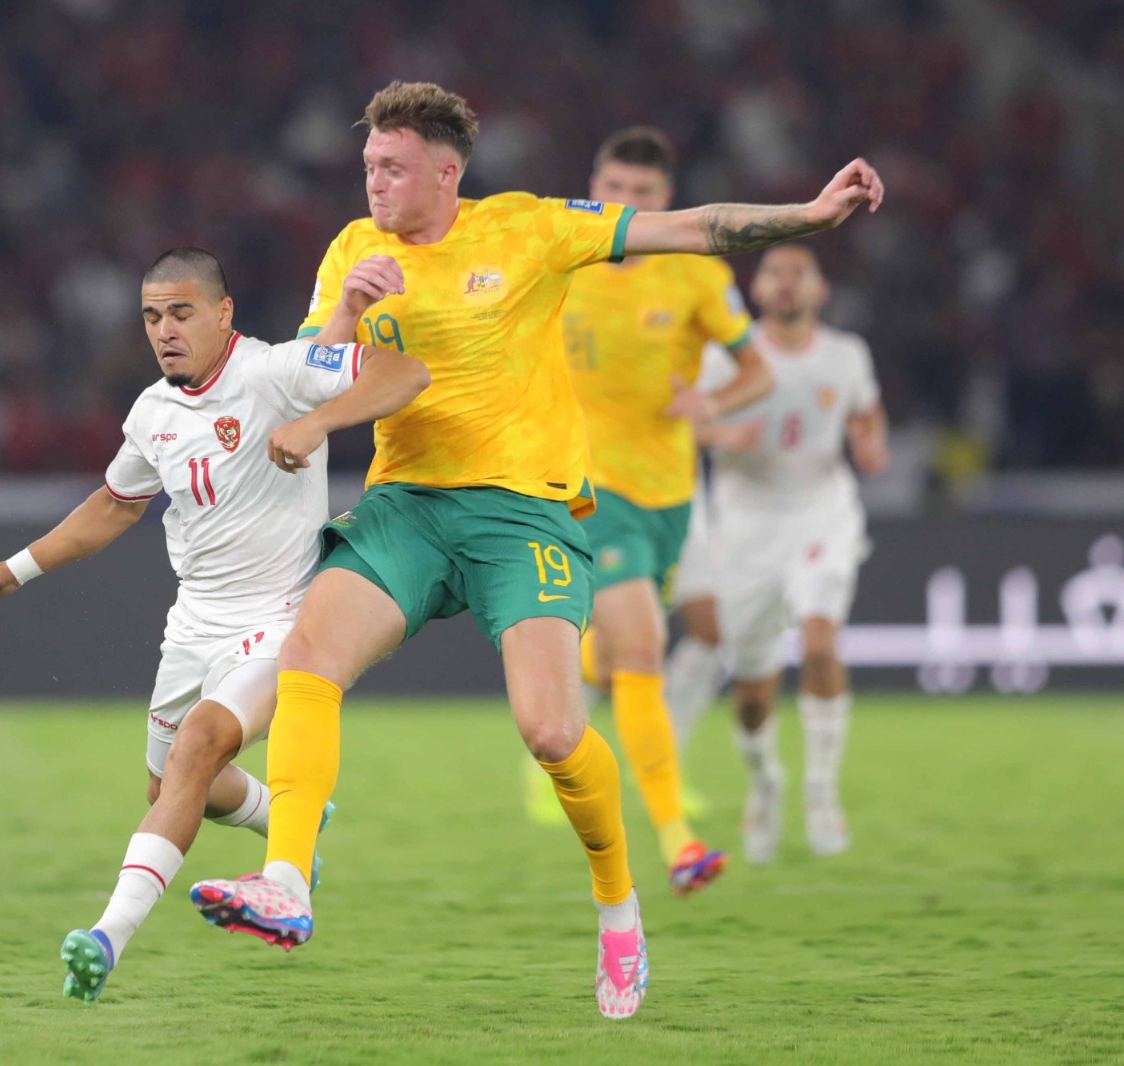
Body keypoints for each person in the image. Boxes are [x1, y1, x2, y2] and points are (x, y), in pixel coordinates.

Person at [189, 81, 884, 1020]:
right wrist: (347, 316)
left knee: (553, 731)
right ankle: (288, 880)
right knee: (311, 649)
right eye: (367, 168)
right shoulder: (355, 249)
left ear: (446, 171)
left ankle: (618, 905)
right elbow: (308, 387)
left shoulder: (530, 230)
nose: (374, 185)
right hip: (407, 505)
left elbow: (697, 228)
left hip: (526, 514)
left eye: (391, 169)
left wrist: (808, 213)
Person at [0, 248, 429, 1005]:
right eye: (151, 317)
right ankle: (287, 816)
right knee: (168, 786)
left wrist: (317, 426)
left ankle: (105, 937)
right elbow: (114, 506)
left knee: (199, 746)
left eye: (180, 312)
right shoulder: (153, 411)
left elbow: (402, 375)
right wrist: (14, 570)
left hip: (279, 622)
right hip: (193, 624)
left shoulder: (278, 371)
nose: (164, 330)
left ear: (223, 312)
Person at [561, 127, 774, 893]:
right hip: (587, 491)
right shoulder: (563, 258)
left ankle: (580, 655)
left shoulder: (693, 275)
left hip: (671, 497)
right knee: (648, 647)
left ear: (665, 202)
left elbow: (756, 371)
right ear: (595, 184)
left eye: (643, 194)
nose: (627, 205)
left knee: (620, 656)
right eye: (614, 188)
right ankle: (679, 840)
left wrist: (708, 400)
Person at [666, 244, 888, 863]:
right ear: (756, 290)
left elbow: (867, 417)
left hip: (823, 511)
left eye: (800, 274)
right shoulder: (725, 358)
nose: (787, 285)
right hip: (746, 528)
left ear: (820, 290)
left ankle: (821, 791)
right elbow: (682, 422)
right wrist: (717, 432)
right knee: (754, 690)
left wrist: (869, 444)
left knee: (820, 643)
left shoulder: (846, 356)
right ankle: (766, 783)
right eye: (775, 274)